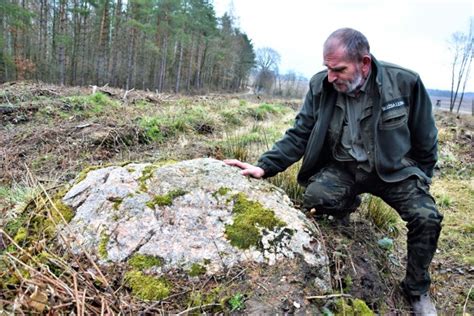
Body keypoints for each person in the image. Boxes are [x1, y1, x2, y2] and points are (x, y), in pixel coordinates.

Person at [225, 28, 443, 315]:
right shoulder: (321, 87)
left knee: (427, 217)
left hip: (394, 173)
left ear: (364, 63)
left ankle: (416, 289)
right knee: (317, 197)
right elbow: (299, 133)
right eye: (327, 68)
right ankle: (346, 206)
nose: (331, 77)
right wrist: (265, 165)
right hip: (345, 168)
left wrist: (421, 179)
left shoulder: (404, 83)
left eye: (338, 69)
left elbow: (426, 138)